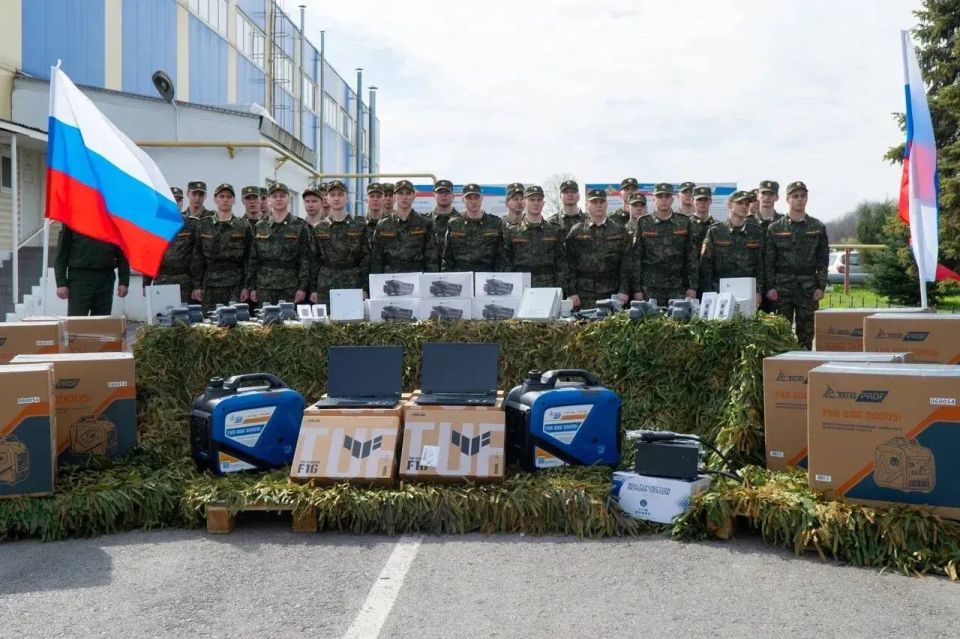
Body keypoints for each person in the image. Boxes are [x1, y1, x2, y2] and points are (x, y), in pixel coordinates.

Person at [764, 181, 830, 350]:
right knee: (780, 333)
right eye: (795, 196)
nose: (799, 199)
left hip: (808, 287)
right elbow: (769, 261)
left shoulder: (817, 227)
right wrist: (770, 287)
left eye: (803, 196)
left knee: (806, 335)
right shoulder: (775, 228)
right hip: (782, 288)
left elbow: (823, 260)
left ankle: (804, 369)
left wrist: (820, 286)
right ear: (787, 199)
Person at [245, 183, 313, 305]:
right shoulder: (260, 226)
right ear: (269, 199)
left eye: (282, 196)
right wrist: (252, 286)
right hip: (264, 286)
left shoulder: (300, 225)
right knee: (265, 322)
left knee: (290, 323)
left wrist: (302, 287)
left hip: (290, 286)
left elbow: (305, 259)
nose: (278, 199)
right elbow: (253, 259)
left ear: (288, 198)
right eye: (274, 196)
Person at [630, 182, 698, 304]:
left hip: (677, 285)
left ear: (672, 199)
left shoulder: (683, 222)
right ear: (654, 199)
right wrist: (637, 289)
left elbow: (691, 256)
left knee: (678, 320)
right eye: (660, 196)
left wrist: (693, 287)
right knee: (651, 321)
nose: (664, 200)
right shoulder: (644, 222)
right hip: (650, 287)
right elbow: (636, 258)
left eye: (667, 196)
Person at [565, 188, 630, 309]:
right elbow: (569, 264)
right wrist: (571, 292)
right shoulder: (577, 231)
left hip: (612, 291)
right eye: (594, 202)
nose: (598, 205)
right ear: (587, 204)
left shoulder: (619, 230)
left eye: (602, 202)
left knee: (611, 326)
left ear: (607, 204)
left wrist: (624, 290)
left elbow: (626, 263)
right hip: (584, 293)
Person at [192, 183, 252, 311]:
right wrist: (197, 285)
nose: (225, 199)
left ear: (234, 200)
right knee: (209, 323)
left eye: (229, 197)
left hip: (235, 283)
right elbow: (197, 257)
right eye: (222, 196)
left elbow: (249, 258)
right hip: (210, 284)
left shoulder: (243, 226)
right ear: (215, 199)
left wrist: (247, 286)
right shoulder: (203, 225)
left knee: (235, 322)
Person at [311, 180, 369, 306]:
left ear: (346, 198)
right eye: (332, 195)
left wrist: (366, 288)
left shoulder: (359, 226)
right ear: (326, 198)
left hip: (353, 281)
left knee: (353, 321)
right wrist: (313, 289)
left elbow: (365, 258)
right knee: (327, 322)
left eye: (340, 194)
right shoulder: (319, 227)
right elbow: (314, 260)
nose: (336, 198)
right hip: (326, 283)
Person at [500, 184, 567, 291]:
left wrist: (560, 289)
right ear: (524, 202)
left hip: (548, 286)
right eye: (531, 200)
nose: (536, 203)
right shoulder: (512, 231)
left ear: (543, 203)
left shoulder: (554, 230)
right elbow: (506, 263)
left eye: (539, 200)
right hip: (521, 286)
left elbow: (561, 263)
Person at [700, 190, 764, 299]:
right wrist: (709, 293)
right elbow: (706, 266)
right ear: (730, 204)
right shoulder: (715, 231)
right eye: (740, 203)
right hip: (719, 290)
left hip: (747, 290)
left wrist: (758, 291)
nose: (744, 206)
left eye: (747, 204)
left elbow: (760, 265)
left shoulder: (756, 232)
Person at [54, 226, 129, 316]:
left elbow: (123, 255)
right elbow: (61, 255)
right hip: (80, 280)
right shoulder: (72, 221)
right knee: (77, 322)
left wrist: (124, 281)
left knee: (101, 322)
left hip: (105, 279)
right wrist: (61, 283)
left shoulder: (111, 220)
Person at [142, 186, 199, 303]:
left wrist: (197, 285)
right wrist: (146, 283)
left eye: (178, 200)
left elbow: (197, 257)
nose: (175, 203)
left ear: (182, 203)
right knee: (162, 318)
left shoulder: (192, 224)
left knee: (185, 318)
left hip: (184, 281)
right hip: (162, 279)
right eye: (172, 199)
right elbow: (149, 255)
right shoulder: (155, 226)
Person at [370, 180, 438, 273]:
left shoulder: (425, 223)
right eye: (400, 193)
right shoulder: (383, 225)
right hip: (390, 279)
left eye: (408, 193)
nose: (404, 197)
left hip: (417, 277)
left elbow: (431, 258)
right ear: (395, 197)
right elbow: (376, 260)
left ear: (414, 197)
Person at [442, 183, 504, 272]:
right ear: (463, 199)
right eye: (469, 198)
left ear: (482, 198)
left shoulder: (495, 223)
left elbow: (500, 257)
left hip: (486, 274)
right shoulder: (454, 223)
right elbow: (447, 257)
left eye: (476, 197)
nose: (473, 201)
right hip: (461, 274)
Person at [423, 179, 459, 266]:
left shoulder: (461, 221)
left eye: (447, 192)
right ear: (434, 195)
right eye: (440, 192)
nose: (443, 195)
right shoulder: (424, 221)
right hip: (430, 272)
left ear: (453, 196)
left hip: (455, 273)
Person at [689, 186, 718, 274]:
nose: (702, 203)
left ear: (710, 201)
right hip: (691, 274)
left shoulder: (718, 226)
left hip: (713, 276)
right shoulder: (686, 225)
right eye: (699, 200)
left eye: (705, 200)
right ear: (692, 201)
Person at [364, 182, 386, 246]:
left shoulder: (391, 224)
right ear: (366, 200)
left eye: (379, 196)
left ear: (383, 199)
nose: (375, 199)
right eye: (372, 196)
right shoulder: (359, 225)